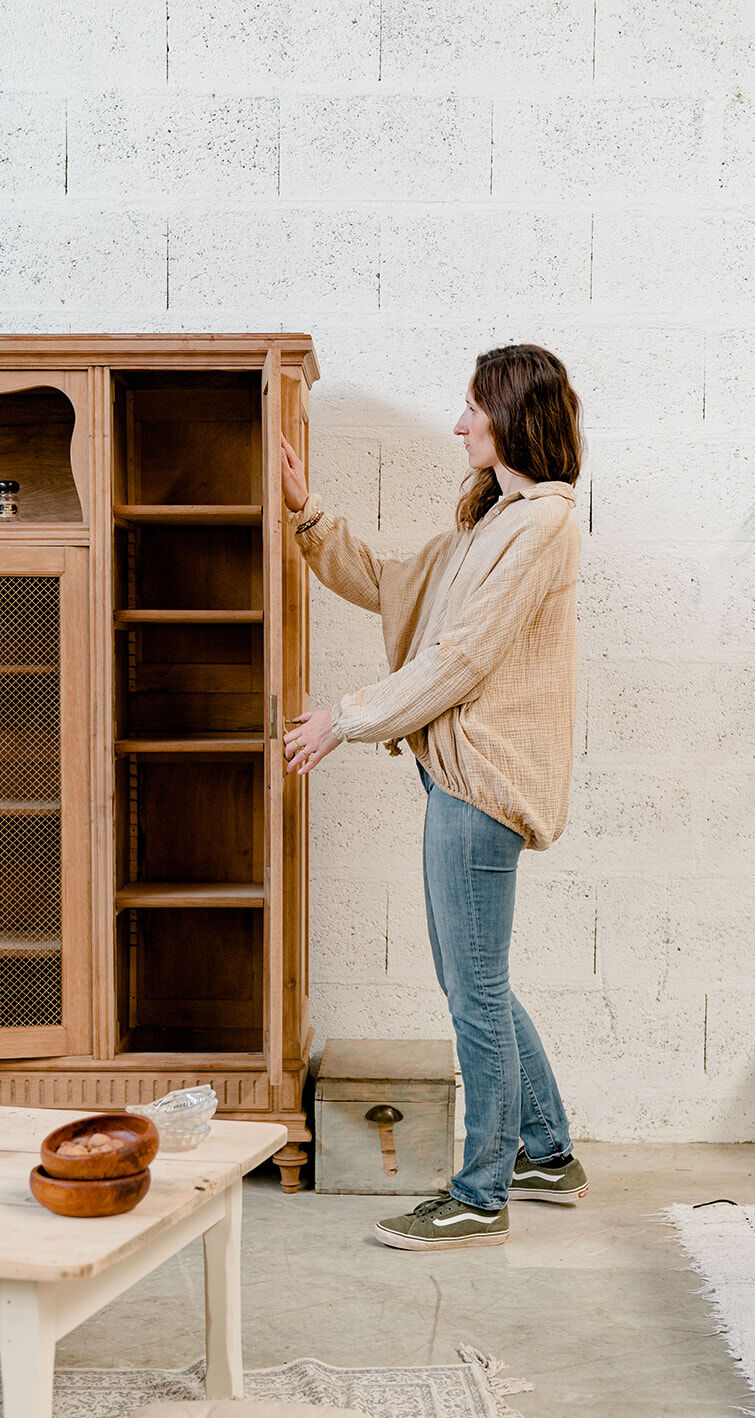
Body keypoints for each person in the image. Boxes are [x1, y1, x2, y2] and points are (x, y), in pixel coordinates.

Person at [281, 342, 588, 1251]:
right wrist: (308, 514)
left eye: (470, 410)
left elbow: (462, 657)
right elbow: (388, 582)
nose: (458, 425)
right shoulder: (491, 522)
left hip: (482, 782)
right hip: (461, 777)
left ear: (511, 415)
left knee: (473, 990)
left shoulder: (542, 524)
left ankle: (479, 1193)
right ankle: (545, 1153)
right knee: (475, 981)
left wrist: (346, 717)